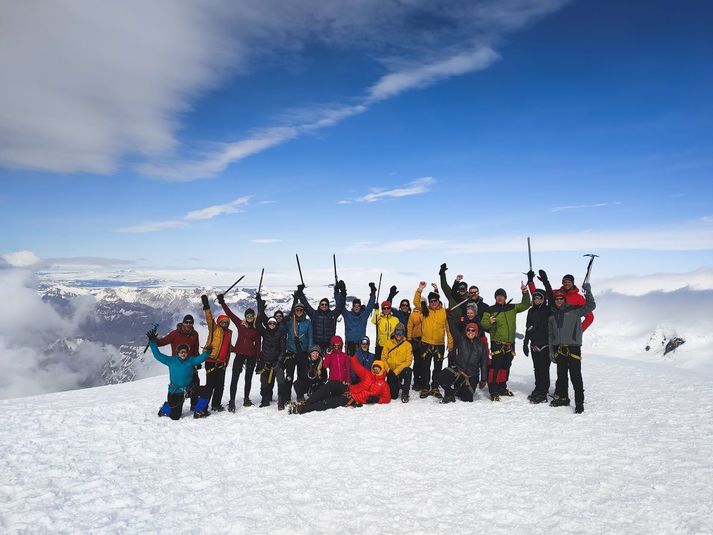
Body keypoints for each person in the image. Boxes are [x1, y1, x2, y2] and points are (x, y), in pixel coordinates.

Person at [548, 282, 596, 414]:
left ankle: (579, 402)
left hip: (573, 348)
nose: (558, 301)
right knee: (561, 376)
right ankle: (563, 398)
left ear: (564, 300)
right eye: (556, 299)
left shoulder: (575, 310)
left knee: (575, 376)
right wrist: (551, 351)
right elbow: (551, 336)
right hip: (559, 349)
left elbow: (591, 306)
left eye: (560, 299)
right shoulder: (552, 316)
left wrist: (588, 291)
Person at [480, 282, 531, 401]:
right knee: (495, 367)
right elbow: (483, 324)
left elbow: (526, 304)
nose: (500, 297)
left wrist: (525, 292)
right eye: (498, 296)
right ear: (495, 298)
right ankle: (493, 390)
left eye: (502, 295)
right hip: (497, 343)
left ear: (505, 297)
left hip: (510, 344)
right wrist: (490, 322)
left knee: (506, 366)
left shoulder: (512, 308)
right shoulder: (490, 310)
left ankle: (502, 387)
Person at [288, 356, 391, 414]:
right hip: (348, 388)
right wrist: (353, 356)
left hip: (353, 399)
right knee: (331, 384)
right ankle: (307, 402)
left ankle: (303, 409)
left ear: (382, 371)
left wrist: (377, 399)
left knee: (328, 402)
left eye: (378, 369)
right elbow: (357, 367)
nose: (375, 371)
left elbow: (387, 398)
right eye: (374, 368)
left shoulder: (384, 384)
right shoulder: (368, 374)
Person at [148, 326, 211, 420]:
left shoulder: (190, 360)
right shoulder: (171, 361)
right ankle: (166, 408)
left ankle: (199, 411)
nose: (183, 354)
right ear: (177, 353)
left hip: (189, 389)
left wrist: (207, 352)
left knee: (207, 390)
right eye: (181, 352)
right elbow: (158, 355)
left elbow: (200, 358)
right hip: (175, 392)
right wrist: (153, 342)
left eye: (185, 352)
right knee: (175, 417)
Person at [218, 294, 261, 410]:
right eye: (248, 315)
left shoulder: (257, 329)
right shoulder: (240, 324)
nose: (250, 317)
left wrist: (258, 359)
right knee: (235, 378)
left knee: (248, 378)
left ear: (254, 316)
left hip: (251, 356)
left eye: (252, 315)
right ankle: (232, 400)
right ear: (245, 316)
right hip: (240, 354)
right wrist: (222, 302)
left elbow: (258, 345)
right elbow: (230, 314)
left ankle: (246, 399)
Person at [414, 281, 453, 399]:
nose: (433, 303)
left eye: (435, 300)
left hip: (439, 344)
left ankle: (435, 387)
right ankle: (425, 387)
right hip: (426, 343)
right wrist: (420, 289)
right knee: (425, 367)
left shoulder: (443, 312)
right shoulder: (425, 310)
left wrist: (450, 343)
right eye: (431, 301)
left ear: (438, 301)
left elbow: (448, 328)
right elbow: (416, 302)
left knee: (437, 367)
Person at [155, 314, 201, 410]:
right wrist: (153, 340)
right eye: (186, 322)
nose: (188, 324)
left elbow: (195, 348)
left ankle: (194, 405)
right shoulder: (175, 334)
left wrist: (198, 361)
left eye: (190, 322)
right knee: (179, 385)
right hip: (177, 364)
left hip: (190, 363)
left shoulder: (195, 334)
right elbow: (162, 342)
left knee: (196, 382)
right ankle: (172, 404)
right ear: (183, 322)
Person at [440, 317, 488, 403]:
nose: (470, 332)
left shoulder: (481, 346)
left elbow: (484, 364)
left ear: (476, 332)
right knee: (441, 377)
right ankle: (450, 392)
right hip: (458, 370)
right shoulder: (461, 339)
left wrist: (483, 379)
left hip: (471, 375)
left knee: (467, 398)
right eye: (468, 330)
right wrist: (448, 315)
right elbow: (453, 328)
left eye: (473, 330)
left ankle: (458, 390)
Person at [201, 294, 233, 413]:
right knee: (210, 386)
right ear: (219, 322)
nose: (225, 324)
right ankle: (204, 406)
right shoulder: (214, 329)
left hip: (222, 363)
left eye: (226, 322)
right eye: (223, 322)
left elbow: (229, 346)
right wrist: (206, 306)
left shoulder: (229, 333)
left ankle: (216, 405)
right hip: (211, 360)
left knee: (220, 386)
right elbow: (209, 318)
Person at [297, 280, 347, 353]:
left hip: (329, 346)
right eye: (322, 304)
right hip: (316, 345)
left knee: (328, 364)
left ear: (328, 306)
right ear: (319, 305)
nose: (324, 306)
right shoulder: (314, 314)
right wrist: (300, 293)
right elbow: (306, 305)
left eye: (326, 304)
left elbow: (340, 305)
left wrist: (343, 292)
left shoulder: (333, 314)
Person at [255, 294, 287, 408]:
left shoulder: (280, 334)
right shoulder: (265, 332)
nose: (272, 324)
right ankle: (265, 399)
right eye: (270, 323)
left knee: (281, 381)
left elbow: (283, 349)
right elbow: (258, 324)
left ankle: (281, 400)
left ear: (276, 324)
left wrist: (279, 361)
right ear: (268, 324)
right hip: (265, 362)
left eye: (274, 323)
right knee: (264, 383)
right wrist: (260, 308)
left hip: (276, 362)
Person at [523, 286, 552, 404]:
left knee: (544, 369)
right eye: (535, 298)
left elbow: (551, 295)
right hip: (534, 344)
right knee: (537, 368)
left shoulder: (548, 310)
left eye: (539, 298)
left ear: (543, 299)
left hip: (545, 344)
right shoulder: (531, 311)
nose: (537, 300)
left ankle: (543, 392)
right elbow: (528, 328)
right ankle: (538, 388)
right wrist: (526, 342)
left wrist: (545, 282)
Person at [285, 301, 314, 402]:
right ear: (294, 311)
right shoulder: (289, 322)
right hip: (291, 352)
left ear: (303, 311)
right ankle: (287, 396)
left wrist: (310, 351)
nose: (299, 312)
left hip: (303, 352)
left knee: (301, 375)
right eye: (297, 310)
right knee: (289, 375)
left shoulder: (307, 323)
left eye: (300, 310)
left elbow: (310, 337)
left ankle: (299, 394)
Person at [381, 322, 413, 403]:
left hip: (400, 370)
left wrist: (396, 371)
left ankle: (405, 393)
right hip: (390, 370)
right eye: (397, 332)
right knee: (393, 396)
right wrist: (388, 370)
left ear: (403, 333)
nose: (398, 334)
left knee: (408, 370)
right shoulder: (388, 343)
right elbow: (383, 358)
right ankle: (397, 384)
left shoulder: (408, 345)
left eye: (401, 332)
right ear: (394, 332)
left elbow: (408, 361)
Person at [341, 282, 377, 355]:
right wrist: (340, 292)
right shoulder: (347, 314)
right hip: (349, 345)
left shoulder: (364, 315)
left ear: (360, 307)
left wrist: (373, 293)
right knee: (349, 365)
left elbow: (370, 306)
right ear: (353, 306)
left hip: (361, 345)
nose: (357, 307)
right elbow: (340, 305)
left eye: (358, 306)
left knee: (361, 364)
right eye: (355, 305)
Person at [407, 298, 424, 391]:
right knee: (417, 362)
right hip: (416, 340)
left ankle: (424, 381)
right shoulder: (413, 314)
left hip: (426, 340)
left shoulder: (427, 312)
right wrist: (409, 339)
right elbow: (409, 326)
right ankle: (416, 381)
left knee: (425, 362)